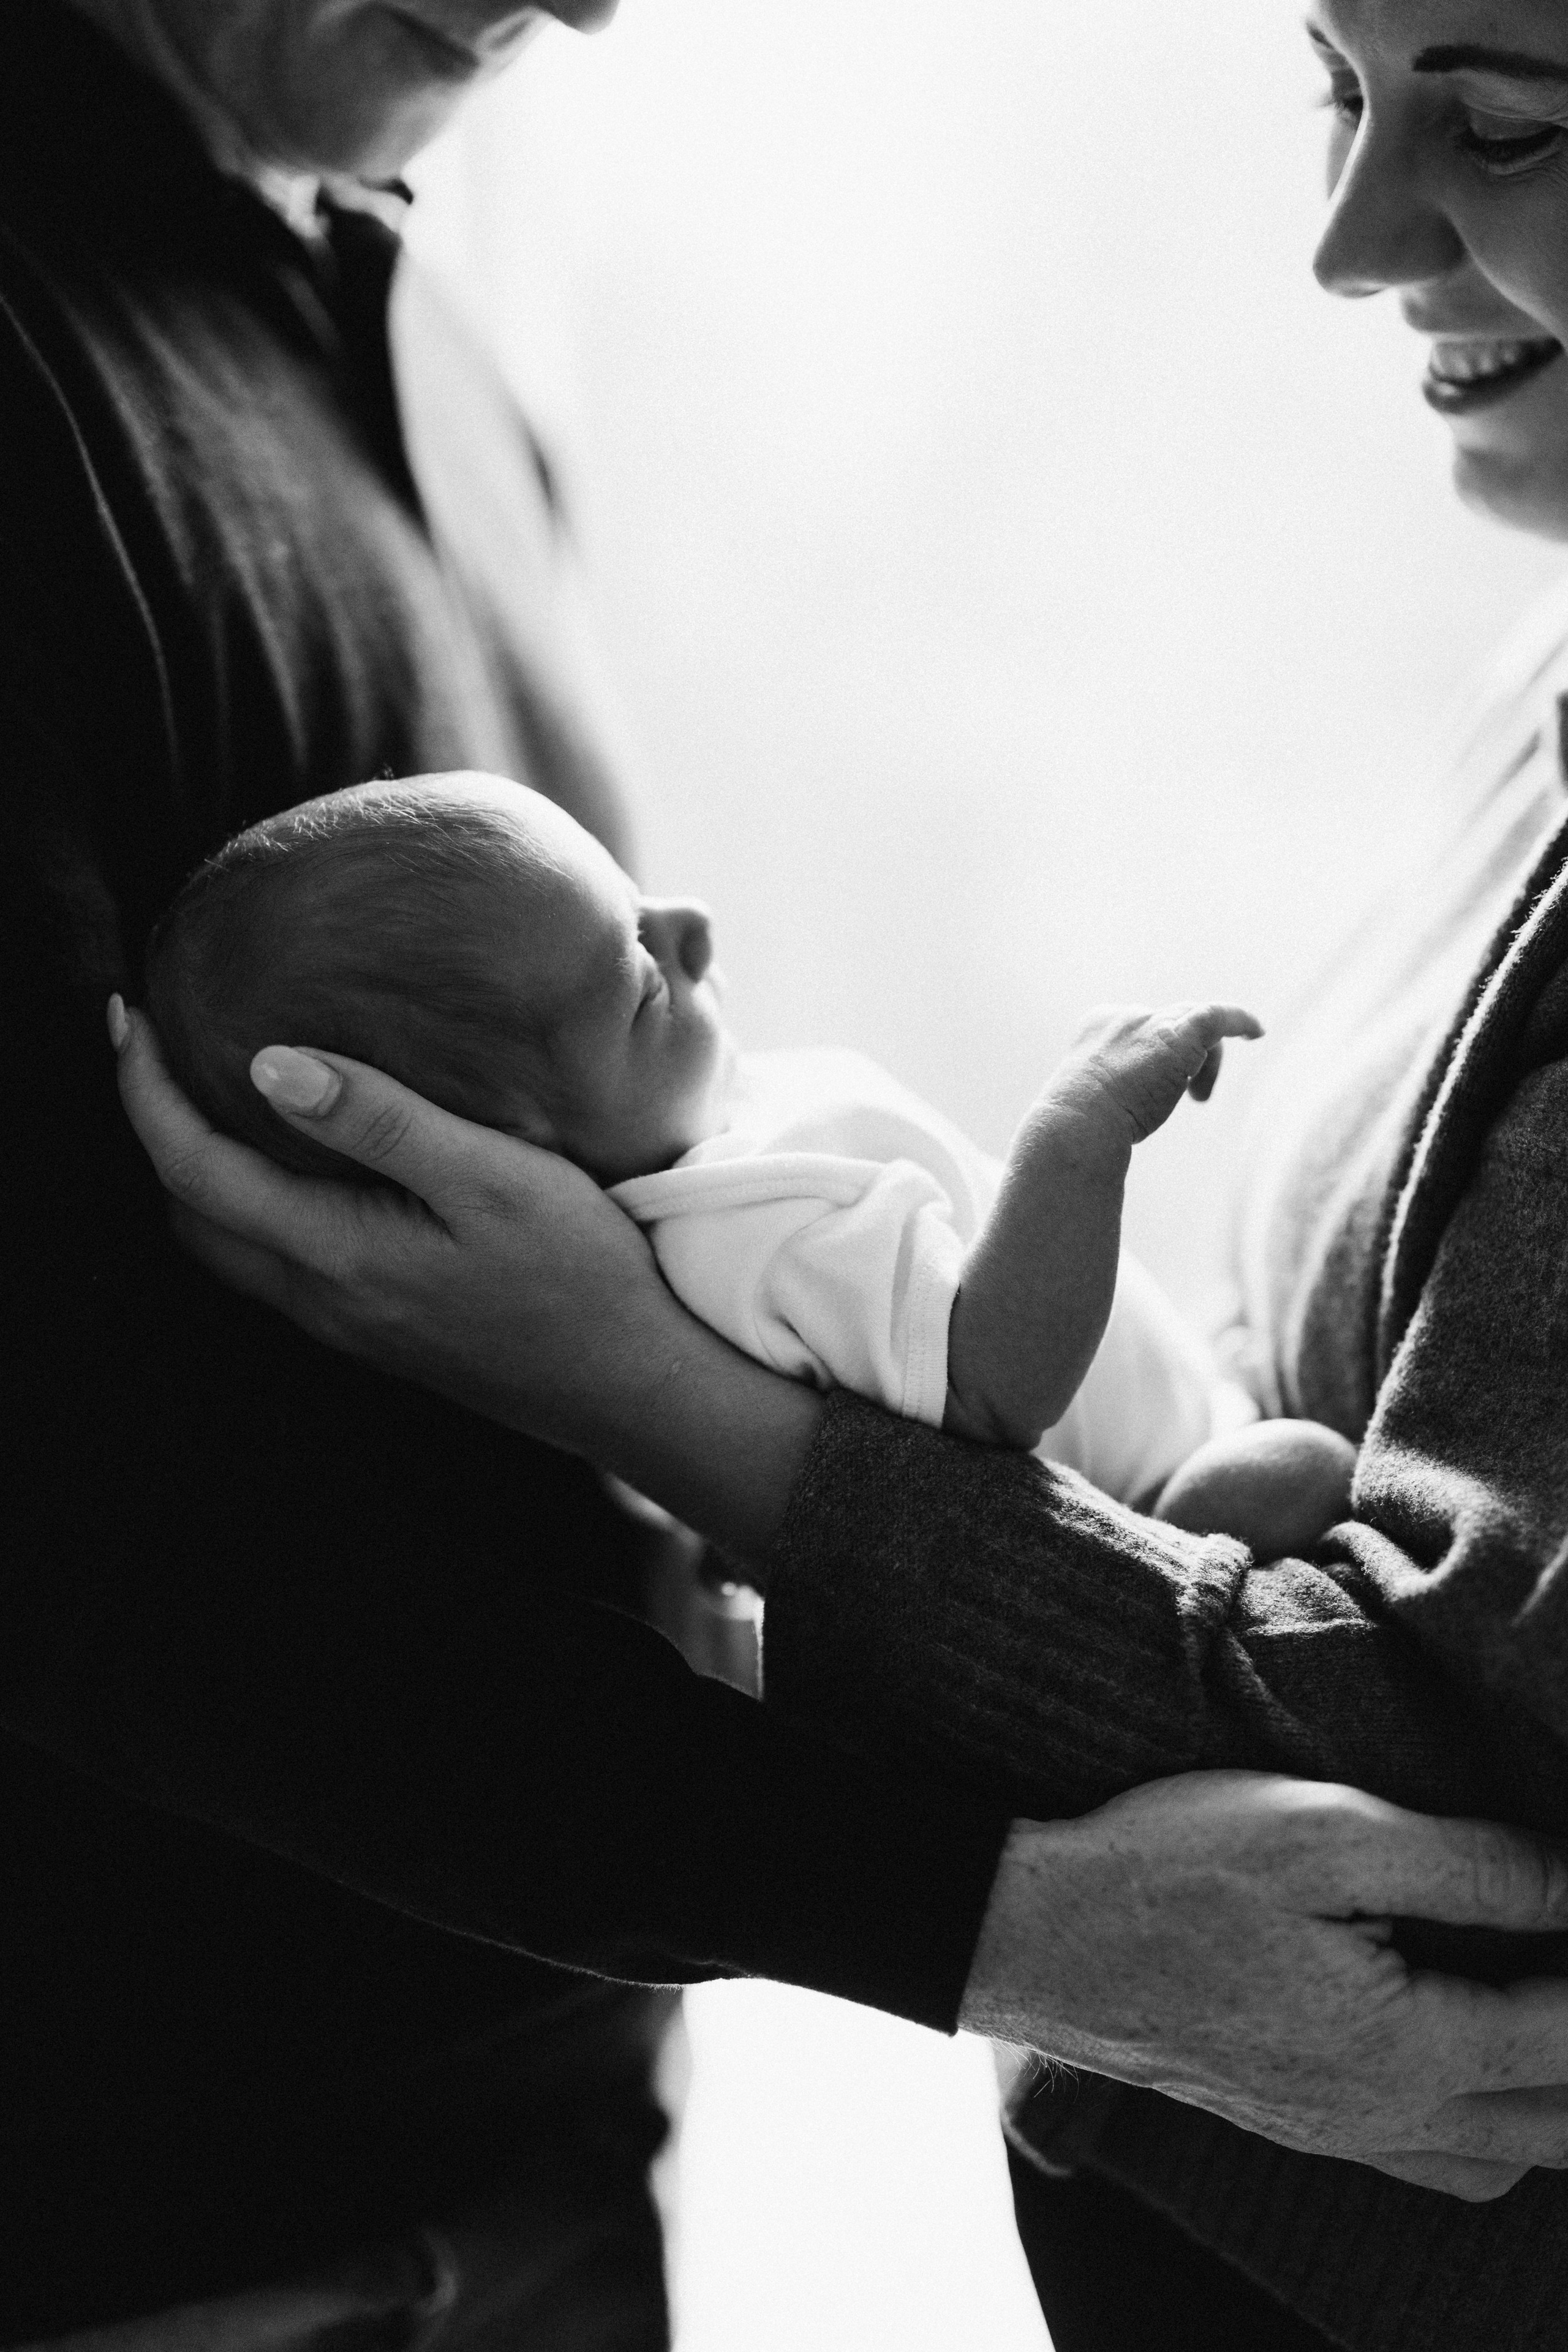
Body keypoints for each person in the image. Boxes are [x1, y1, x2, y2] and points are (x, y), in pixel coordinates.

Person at [14, 0, 1568, 2342]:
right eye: (1340, 96)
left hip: (540, 2164)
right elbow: (81, 1499)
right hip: (200, 2249)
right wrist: (976, 1916)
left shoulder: (397, 318)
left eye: (1499, 117)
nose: (591, 2)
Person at [147, 767, 1340, 1538]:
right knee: (1303, 1471)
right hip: (1161, 1516)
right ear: (516, 1136)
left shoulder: (709, 1160)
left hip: (1177, 1415)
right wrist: (1076, 1139)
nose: (692, 928)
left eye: (635, 901)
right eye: (639, 980)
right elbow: (993, 1386)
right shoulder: (737, 1237)